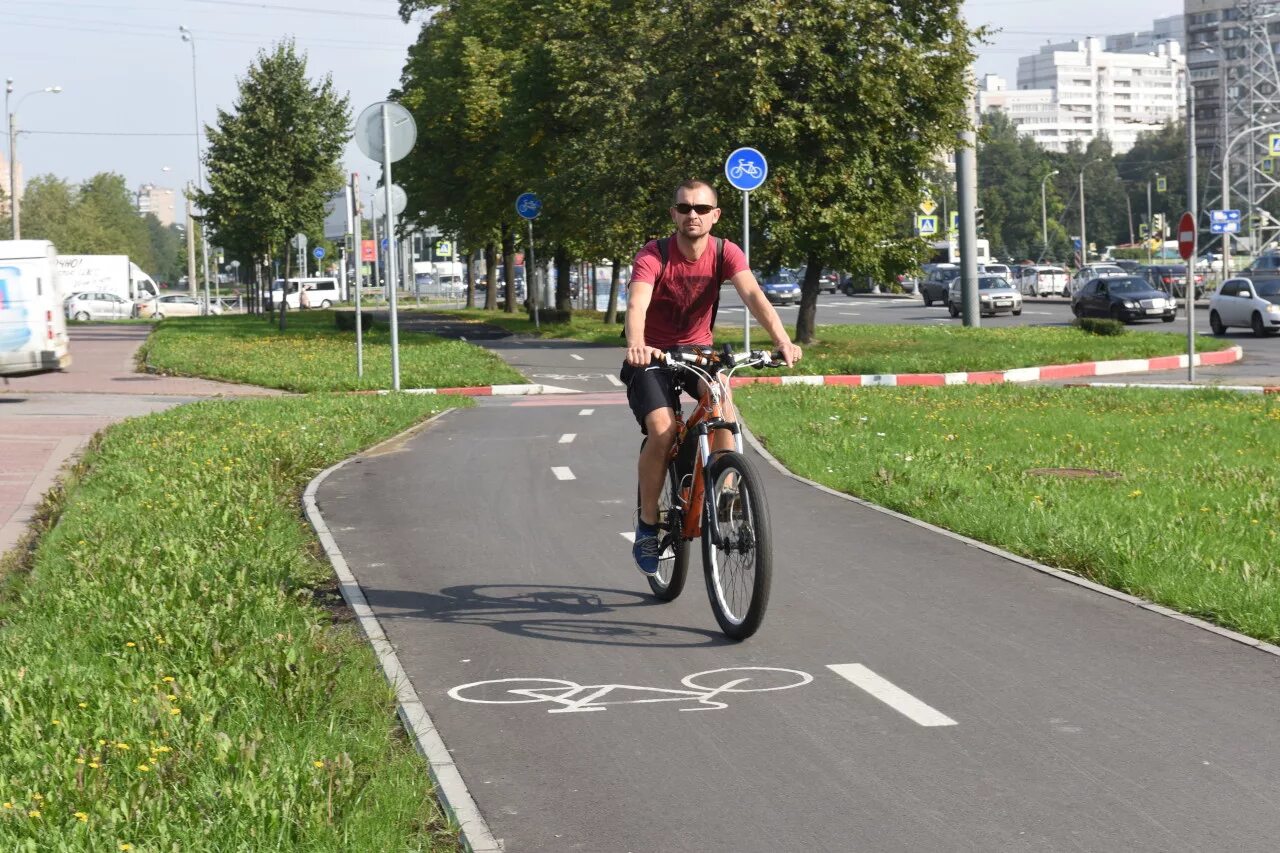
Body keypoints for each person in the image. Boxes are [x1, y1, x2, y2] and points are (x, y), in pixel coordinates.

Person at [622, 179, 802, 575]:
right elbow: (637, 303)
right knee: (663, 430)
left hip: (698, 352)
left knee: (723, 406)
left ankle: (727, 491)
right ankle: (648, 525)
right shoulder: (654, 254)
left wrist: (782, 341)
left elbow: (754, 295)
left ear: (715, 216)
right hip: (652, 355)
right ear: (673, 214)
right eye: (684, 208)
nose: (692, 215)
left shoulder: (725, 252)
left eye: (701, 209)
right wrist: (637, 344)